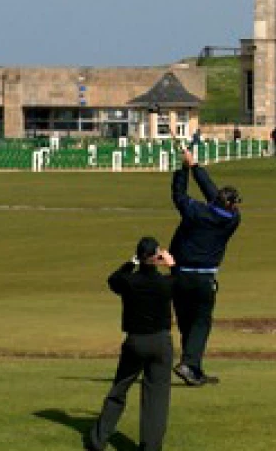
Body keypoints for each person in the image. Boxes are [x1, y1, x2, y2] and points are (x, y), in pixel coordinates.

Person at [87, 236, 175, 451]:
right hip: (161, 342)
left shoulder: (129, 282)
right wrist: (172, 265)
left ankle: (98, 440)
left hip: (135, 341)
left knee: (119, 388)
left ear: (140, 256)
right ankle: (150, 447)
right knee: (156, 397)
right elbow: (181, 283)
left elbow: (113, 279)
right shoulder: (165, 283)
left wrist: (133, 261)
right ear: (156, 257)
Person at [168, 144, 242, 387]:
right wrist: (195, 166)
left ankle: (193, 369)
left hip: (178, 276)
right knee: (201, 322)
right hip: (203, 280)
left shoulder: (195, 211)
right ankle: (190, 365)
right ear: (231, 205)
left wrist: (185, 168)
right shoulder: (232, 220)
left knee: (188, 323)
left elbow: (179, 195)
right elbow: (214, 195)